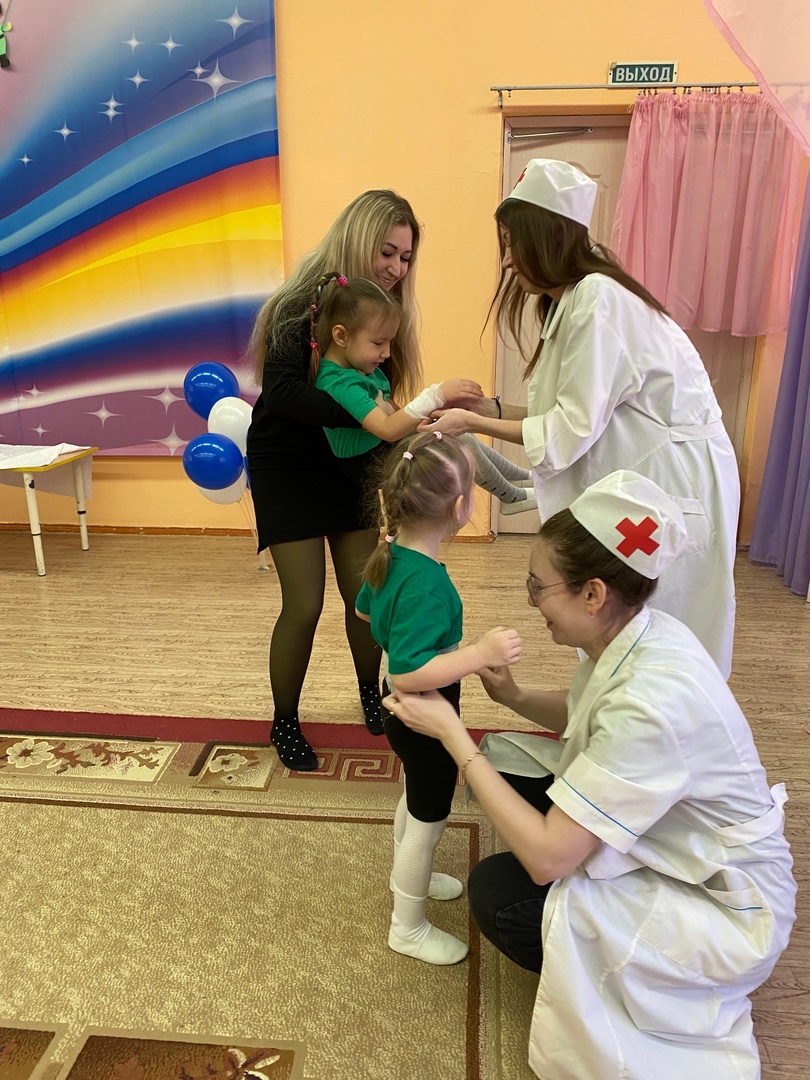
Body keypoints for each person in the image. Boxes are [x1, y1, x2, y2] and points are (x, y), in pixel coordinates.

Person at [383, 470, 796, 1079]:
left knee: (500, 891)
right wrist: (514, 697)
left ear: (594, 594)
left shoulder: (651, 703)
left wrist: (453, 736)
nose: (531, 602)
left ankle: (652, 982)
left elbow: (548, 860)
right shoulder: (640, 631)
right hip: (674, 832)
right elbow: (584, 710)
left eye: (537, 586)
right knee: (507, 771)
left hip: (721, 907)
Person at [423, 157, 740, 677]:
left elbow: (569, 431)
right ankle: (612, 710)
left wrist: (471, 425)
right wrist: (487, 409)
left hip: (673, 480)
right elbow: (572, 411)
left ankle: (657, 719)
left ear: (546, 240)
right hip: (646, 478)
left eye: (514, 245)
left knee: (663, 630)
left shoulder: (598, 298)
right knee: (621, 627)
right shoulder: (573, 300)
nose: (507, 261)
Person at [246, 190, 429, 772]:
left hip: (345, 464)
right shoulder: (299, 304)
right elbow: (283, 393)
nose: (397, 268)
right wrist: (366, 417)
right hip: (287, 466)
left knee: (363, 598)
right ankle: (284, 720)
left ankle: (372, 695)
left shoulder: (381, 314)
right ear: (357, 239)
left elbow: (380, 403)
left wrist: (396, 432)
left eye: (406, 257)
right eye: (387, 252)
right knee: (303, 605)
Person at [355, 430, 522, 965]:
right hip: (423, 712)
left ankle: (410, 874)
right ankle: (406, 926)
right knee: (428, 822)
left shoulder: (390, 554)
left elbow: (363, 611)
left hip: (404, 710)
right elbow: (410, 672)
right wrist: (477, 653)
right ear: (460, 508)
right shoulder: (427, 583)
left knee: (414, 797)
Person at [310, 272, 537, 514]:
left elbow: (392, 411)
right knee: (454, 442)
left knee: (457, 432)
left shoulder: (359, 367)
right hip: (365, 463)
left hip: (380, 448)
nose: (387, 353)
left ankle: (524, 478)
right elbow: (387, 429)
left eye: (389, 342)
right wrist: (434, 396)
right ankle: (511, 497)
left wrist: (423, 420)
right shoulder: (340, 382)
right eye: (378, 343)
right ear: (341, 336)